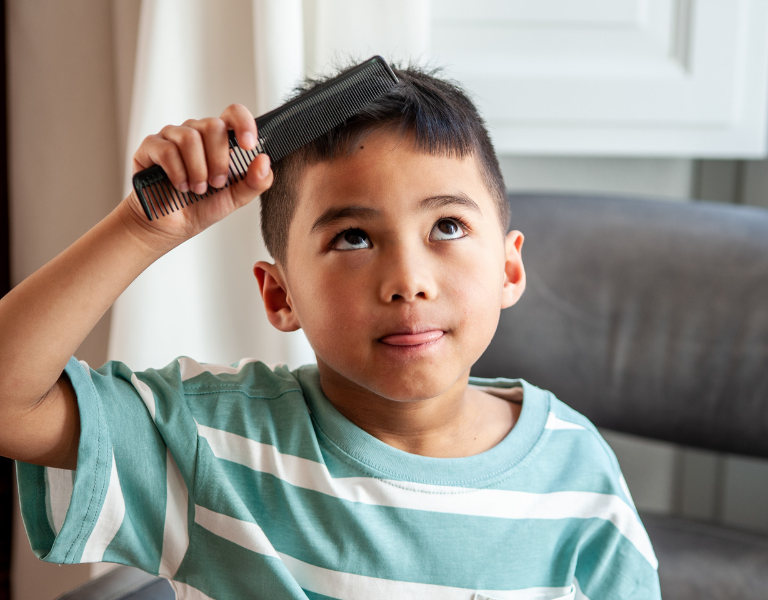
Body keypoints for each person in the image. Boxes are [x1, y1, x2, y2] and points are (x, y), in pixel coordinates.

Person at [0, 63, 660, 599]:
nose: (408, 279)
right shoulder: (214, 445)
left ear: (510, 266)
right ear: (280, 293)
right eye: (352, 237)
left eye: (447, 227)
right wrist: (141, 229)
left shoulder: (577, 471)